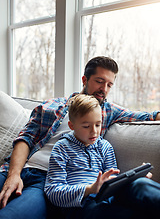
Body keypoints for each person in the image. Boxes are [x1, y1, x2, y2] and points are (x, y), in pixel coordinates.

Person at [0, 56, 159, 219]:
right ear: (85, 79)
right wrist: (14, 174)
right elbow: (25, 138)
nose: (104, 89)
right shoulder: (52, 106)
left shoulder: (108, 112)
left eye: (109, 85)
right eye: (99, 81)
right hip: (18, 168)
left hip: (49, 180)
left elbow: (150, 116)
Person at [44, 94, 160, 219]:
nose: (94, 131)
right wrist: (90, 189)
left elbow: (112, 179)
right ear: (72, 126)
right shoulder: (61, 148)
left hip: (107, 197)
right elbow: (53, 192)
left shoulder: (105, 146)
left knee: (140, 184)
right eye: (86, 126)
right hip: (81, 206)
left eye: (98, 125)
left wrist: (130, 179)